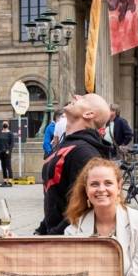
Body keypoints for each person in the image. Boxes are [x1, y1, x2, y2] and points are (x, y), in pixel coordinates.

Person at [38, 93, 112, 235]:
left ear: (89, 114)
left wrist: (55, 236)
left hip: (67, 240)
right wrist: (43, 228)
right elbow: (56, 196)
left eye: (84, 98)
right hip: (55, 236)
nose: (76, 96)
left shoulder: (84, 153)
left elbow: (84, 207)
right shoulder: (68, 143)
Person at [0, 121, 14, 187]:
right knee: (3, 167)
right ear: (2, 125)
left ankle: (10, 182)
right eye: (3, 123)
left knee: (8, 166)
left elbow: (12, 144)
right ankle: (5, 181)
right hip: (0, 152)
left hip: (7, 152)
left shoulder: (10, 134)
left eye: (6, 123)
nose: (5, 124)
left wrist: (9, 151)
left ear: (8, 125)